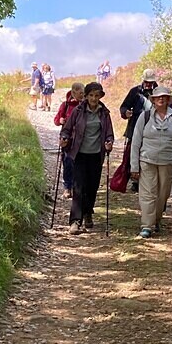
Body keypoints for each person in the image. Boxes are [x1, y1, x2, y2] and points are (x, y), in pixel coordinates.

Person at [130, 86, 172, 239]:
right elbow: (136, 142)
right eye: (158, 97)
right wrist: (134, 165)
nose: (161, 99)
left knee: (163, 194)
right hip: (147, 160)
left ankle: (156, 220)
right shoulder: (145, 116)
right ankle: (146, 225)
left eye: (165, 97)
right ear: (153, 100)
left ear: (169, 100)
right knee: (148, 193)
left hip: (168, 162)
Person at [60, 82, 114, 235]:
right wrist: (64, 138)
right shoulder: (78, 111)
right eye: (91, 95)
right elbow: (67, 129)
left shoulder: (104, 113)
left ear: (100, 97)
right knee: (78, 187)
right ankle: (75, 221)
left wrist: (109, 142)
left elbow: (109, 133)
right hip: (79, 154)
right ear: (86, 96)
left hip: (96, 154)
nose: (94, 98)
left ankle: (88, 212)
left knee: (92, 187)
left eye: (97, 96)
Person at [119, 68, 157, 193]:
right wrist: (126, 113)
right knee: (132, 153)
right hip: (134, 126)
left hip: (153, 129)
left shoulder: (158, 92)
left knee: (148, 154)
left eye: (151, 82)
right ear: (143, 80)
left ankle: (145, 180)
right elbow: (123, 106)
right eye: (147, 82)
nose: (148, 84)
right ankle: (134, 180)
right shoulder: (135, 92)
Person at [54, 82, 84, 199]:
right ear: (73, 93)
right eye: (80, 93)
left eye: (83, 93)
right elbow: (56, 120)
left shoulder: (85, 105)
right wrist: (60, 120)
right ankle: (67, 187)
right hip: (68, 140)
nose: (82, 95)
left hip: (80, 139)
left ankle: (77, 188)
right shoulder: (65, 105)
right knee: (68, 163)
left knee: (78, 164)